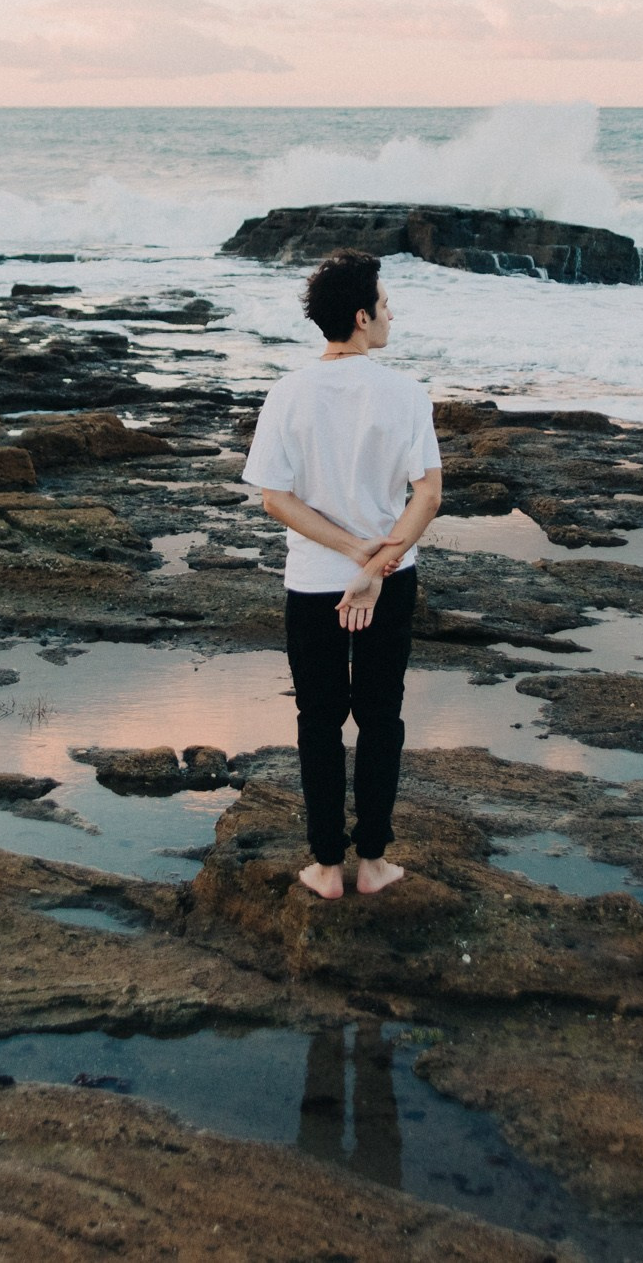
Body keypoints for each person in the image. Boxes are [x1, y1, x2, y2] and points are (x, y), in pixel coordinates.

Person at [241, 249, 444, 900]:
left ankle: (327, 866)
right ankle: (374, 862)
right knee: (381, 716)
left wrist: (355, 554)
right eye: (385, 304)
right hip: (392, 576)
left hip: (312, 581)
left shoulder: (287, 392)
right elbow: (428, 494)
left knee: (318, 719)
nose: (391, 313)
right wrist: (380, 562)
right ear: (361, 317)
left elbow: (275, 497)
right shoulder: (406, 393)